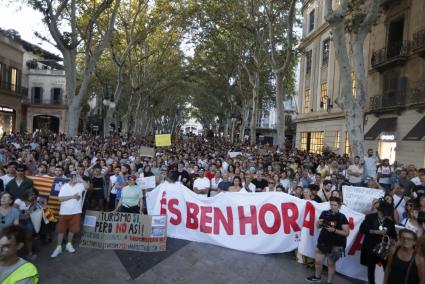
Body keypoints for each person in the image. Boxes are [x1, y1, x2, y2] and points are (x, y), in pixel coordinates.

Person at [306, 197, 349, 283]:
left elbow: (346, 233)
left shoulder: (342, 217)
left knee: (331, 264)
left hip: (337, 245)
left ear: (339, 206)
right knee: (318, 261)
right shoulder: (325, 213)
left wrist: (335, 230)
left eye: (335, 205)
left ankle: (329, 282)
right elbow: (318, 226)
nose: (333, 206)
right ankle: (317, 277)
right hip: (323, 241)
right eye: (331, 204)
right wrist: (318, 223)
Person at [360, 199, 397, 284]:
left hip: (384, 247)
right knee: (371, 269)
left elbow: (394, 235)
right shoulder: (370, 217)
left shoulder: (389, 222)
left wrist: (391, 239)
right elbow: (362, 229)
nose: (386, 214)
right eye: (385, 212)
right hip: (370, 246)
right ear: (380, 210)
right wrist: (375, 232)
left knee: (386, 268)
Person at [50, 173, 85, 258]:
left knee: (72, 230)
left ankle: (68, 244)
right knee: (61, 230)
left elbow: (88, 187)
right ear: (69, 178)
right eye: (73, 177)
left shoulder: (80, 185)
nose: (74, 178)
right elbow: (60, 199)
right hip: (64, 212)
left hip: (76, 211)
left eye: (76, 177)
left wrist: (81, 179)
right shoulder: (64, 186)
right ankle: (58, 247)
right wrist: (73, 196)